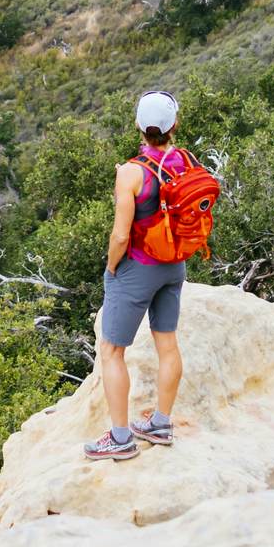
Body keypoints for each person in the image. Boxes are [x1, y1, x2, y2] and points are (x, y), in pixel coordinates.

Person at [84, 89, 187, 461]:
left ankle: (121, 437)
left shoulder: (130, 173)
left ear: (138, 126)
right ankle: (160, 423)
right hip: (173, 264)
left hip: (138, 268)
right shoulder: (185, 161)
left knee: (112, 351)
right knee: (168, 344)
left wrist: (112, 266)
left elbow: (121, 234)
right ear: (175, 124)